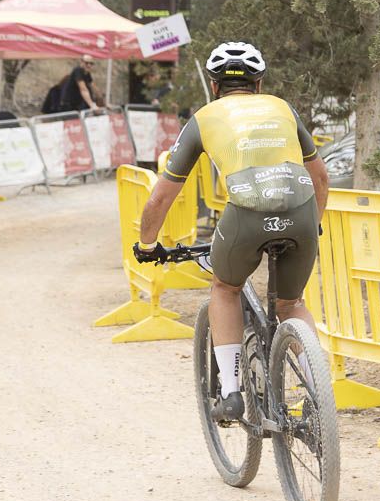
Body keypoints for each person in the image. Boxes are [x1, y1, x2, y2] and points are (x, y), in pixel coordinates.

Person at [133, 42, 330, 420]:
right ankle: (318, 394)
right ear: (259, 85)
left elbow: (160, 199)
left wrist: (147, 244)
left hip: (246, 217)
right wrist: (313, 223)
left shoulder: (204, 118)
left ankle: (232, 392)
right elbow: (320, 177)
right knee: (292, 303)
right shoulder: (283, 108)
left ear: (213, 84)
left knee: (225, 288)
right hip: (302, 213)